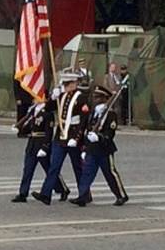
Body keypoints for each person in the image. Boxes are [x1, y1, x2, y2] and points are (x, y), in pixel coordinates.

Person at [33, 70, 87, 205]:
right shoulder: (62, 96)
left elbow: (83, 120)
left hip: (73, 137)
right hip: (60, 136)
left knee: (78, 168)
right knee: (54, 166)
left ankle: (84, 194)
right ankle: (46, 194)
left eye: (68, 84)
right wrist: (53, 97)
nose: (66, 86)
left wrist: (77, 138)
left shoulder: (81, 98)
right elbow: (48, 108)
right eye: (65, 84)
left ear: (75, 84)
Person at [70, 85, 129, 207]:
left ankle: (121, 195)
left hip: (104, 149)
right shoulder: (93, 113)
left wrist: (100, 137)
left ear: (104, 98)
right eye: (94, 97)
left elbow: (110, 133)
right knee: (86, 173)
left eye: (98, 97)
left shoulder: (110, 114)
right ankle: (82, 196)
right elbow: (88, 129)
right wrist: (85, 147)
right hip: (92, 149)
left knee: (110, 174)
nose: (95, 99)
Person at [12, 100, 69, 203]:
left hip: (41, 143)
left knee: (49, 170)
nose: (34, 98)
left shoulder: (47, 112)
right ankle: (23, 193)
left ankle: (62, 189)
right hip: (32, 144)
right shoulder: (33, 110)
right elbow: (30, 125)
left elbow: (49, 132)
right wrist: (20, 128)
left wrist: (45, 147)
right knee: (28, 170)